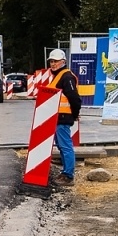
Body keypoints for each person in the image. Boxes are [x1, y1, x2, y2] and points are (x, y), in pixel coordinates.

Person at [46, 48, 82, 185]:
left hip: (63, 117)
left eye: (56, 61)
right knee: (62, 146)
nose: (53, 64)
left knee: (65, 146)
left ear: (63, 62)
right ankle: (66, 172)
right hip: (57, 117)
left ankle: (68, 175)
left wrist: (75, 114)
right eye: (51, 61)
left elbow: (74, 98)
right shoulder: (59, 76)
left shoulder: (66, 77)